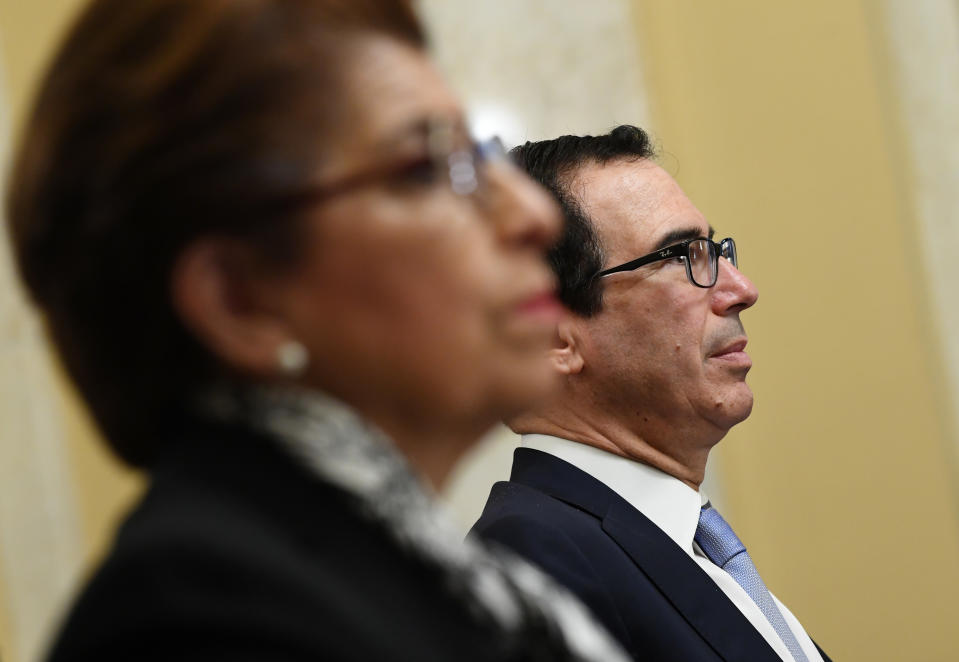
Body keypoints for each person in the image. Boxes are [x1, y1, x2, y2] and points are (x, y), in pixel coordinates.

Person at [6, 2, 632, 660]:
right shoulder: (202, 619)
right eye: (426, 168)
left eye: (478, 158)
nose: (535, 215)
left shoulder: (415, 576)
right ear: (239, 299)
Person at [470, 126, 831, 662]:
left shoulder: (688, 546)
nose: (741, 289)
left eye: (716, 250)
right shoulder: (533, 560)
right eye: (682, 255)